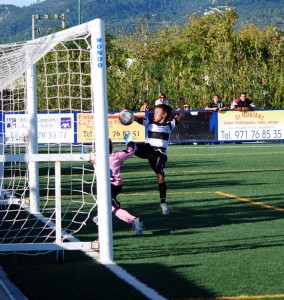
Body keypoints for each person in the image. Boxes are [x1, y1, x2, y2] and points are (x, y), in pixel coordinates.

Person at [132, 96, 186, 215]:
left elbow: (181, 116)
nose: (154, 114)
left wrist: (181, 103)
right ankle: (122, 153)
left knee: (160, 178)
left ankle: (163, 203)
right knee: (132, 146)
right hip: (148, 148)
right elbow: (136, 118)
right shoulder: (148, 122)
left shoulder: (169, 125)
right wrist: (128, 115)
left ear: (164, 114)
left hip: (159, 154)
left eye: (157, 112)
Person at [90, 138, 143, 236]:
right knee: (113, 208)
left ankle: (102, 216)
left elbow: (88, 158)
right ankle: (134, 221)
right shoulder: (116, 156)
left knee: (108, 206)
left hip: (106, 186)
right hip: (116, 185)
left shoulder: (94, 157)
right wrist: (130, 142)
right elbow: (131, 150)